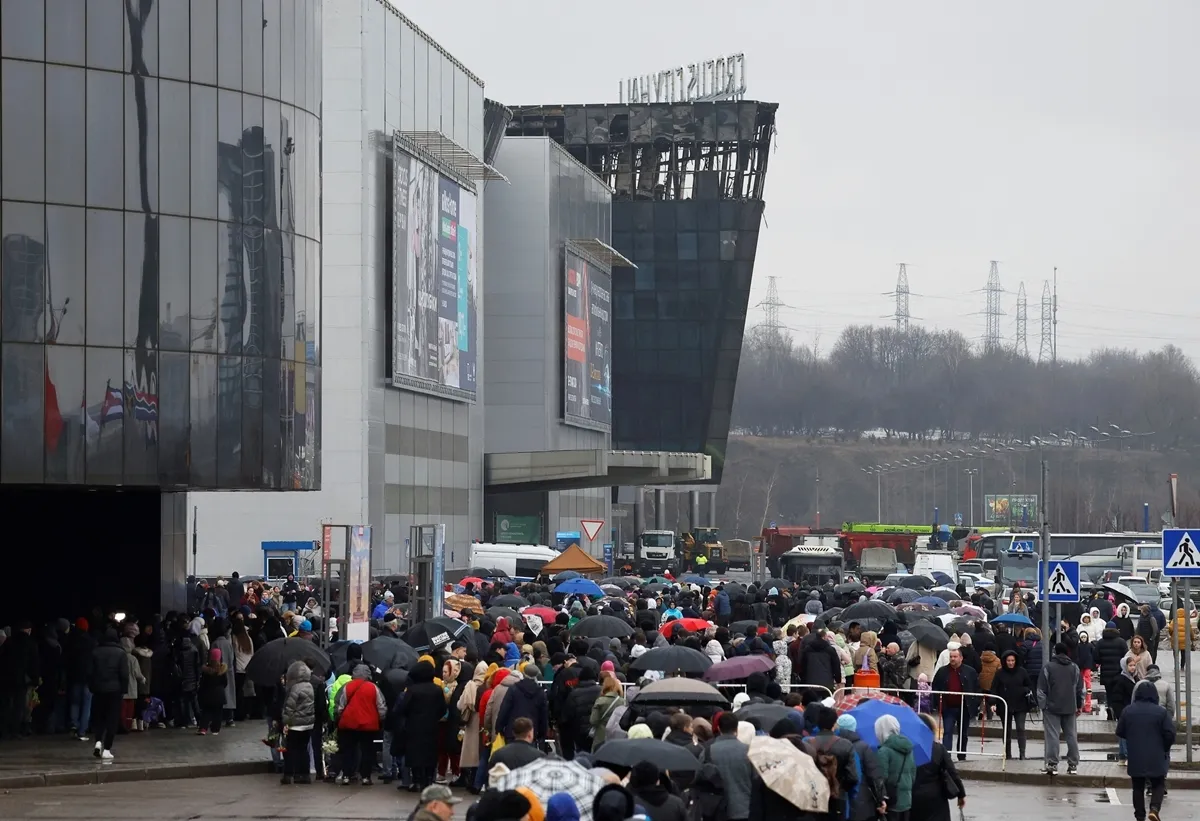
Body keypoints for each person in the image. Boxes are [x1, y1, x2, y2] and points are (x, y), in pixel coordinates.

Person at [1116, 680, 1175, 821]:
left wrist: (1133, 739)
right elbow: (1170, 733)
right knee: (1158, 784)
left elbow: (1120, 731)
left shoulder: (1128, 711)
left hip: (1136, 755)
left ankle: (1140, 816)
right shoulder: (1161, 712)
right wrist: (1165, 748)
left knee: (1137, 787)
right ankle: (1154, 809)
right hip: (1157, 755)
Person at [334, 663, 387, 785]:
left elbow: (340, 706)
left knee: (348, 750)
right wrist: (380, 719)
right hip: (368, 726)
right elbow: (381, 707)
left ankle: (347, 775)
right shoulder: (373, 688)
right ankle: (365, 777)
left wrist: (339, 717)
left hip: (349, 724)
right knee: (367, 751)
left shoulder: (347, 687)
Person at [1037, 642, 1084, 775]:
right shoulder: (1074, 668)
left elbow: (1041, 689)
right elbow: (1081, 689)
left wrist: (1043, 706)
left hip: (1052, 707)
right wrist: (1079, 705)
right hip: (1070, 707)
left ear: (1055, 652)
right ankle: (1073, 764)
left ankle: (1052, 764)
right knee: (1071, 736)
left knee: (1052, 736)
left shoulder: (1048, 667)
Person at [910, 713, 965, 821]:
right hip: (936, 796)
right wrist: (961, 794)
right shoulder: (938, 749)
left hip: (912, 795)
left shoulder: (908, 748)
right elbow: (952, 772)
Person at [834, 714, 887, 821]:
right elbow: (874, 775)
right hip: (862, 802)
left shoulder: (832, 745)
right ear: (854, 728)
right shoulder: (863, 747)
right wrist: (881, 798)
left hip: (837, 800)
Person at [705, 711, 755, 821]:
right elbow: (756, 781)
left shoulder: (707, 752)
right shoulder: (749, 751)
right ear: (736, 729)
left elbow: (700, 778)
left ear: (718, 728)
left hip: (717, 809)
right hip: (744, 809)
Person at [931, 647, 979, 761]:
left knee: (963, 732)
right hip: (948, 707)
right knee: (947, 731)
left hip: (965, 707)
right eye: (951, 657)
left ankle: (961, 755)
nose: (952, 659)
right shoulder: (942, 671)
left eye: (955, 657)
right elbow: (935, 687)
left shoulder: (970, 671)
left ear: (961, 658)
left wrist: (974, 703)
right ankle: (947, 756)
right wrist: (938, 702)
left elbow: (977, 688)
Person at [88, 627, 128, 761]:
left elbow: (90, 673)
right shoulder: (121, 653)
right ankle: (107, 749)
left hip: (99, 689)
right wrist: (123, 690)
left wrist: (92, 687)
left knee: (99, 717)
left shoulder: (95, 652)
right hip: (114, 691)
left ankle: (98, 741)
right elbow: (124, 674)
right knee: (112, 719)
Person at [988, 650, 1032, 760]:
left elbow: (1030, 686)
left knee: (1020, 728)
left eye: (1012, 660)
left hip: (1020, 704)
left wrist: (1024, 690)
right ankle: (1007, 754)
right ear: (1004, 661)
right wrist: (993, 702)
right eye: (1008, 661)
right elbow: (994, 689)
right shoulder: (999, 673)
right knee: (1006, 730)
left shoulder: (1022, 672)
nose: (1011, 663)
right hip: (1004, 705)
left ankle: (1022, 754)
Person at [280, 660, 316, 784]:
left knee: (290, 749)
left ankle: (289, 774)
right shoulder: (310, 686)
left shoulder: (295, 688)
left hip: (296, 725)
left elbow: (290, 707)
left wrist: (285, 721)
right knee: (303, 749)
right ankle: (304, 774)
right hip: (308, 724)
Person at [874, 714, 915, 821]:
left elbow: (881, 778)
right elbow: (913, 774)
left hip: (890, 802)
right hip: (907, 800)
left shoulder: (884, 751)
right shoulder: (908, 748)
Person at [588, 673, 624, 749]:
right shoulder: (622, 702)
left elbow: (593, 720)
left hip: (601, 736)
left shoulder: (600, 701)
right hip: (617, 736)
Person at [197, 648, 228, 736]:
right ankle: (215, 729)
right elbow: (225, 683)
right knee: (218, 713)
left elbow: (202, 683)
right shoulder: (222, 670)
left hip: (208, 695)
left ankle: (203, 728)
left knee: (206, 712)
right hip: (220, 695)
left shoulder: (206, 671)